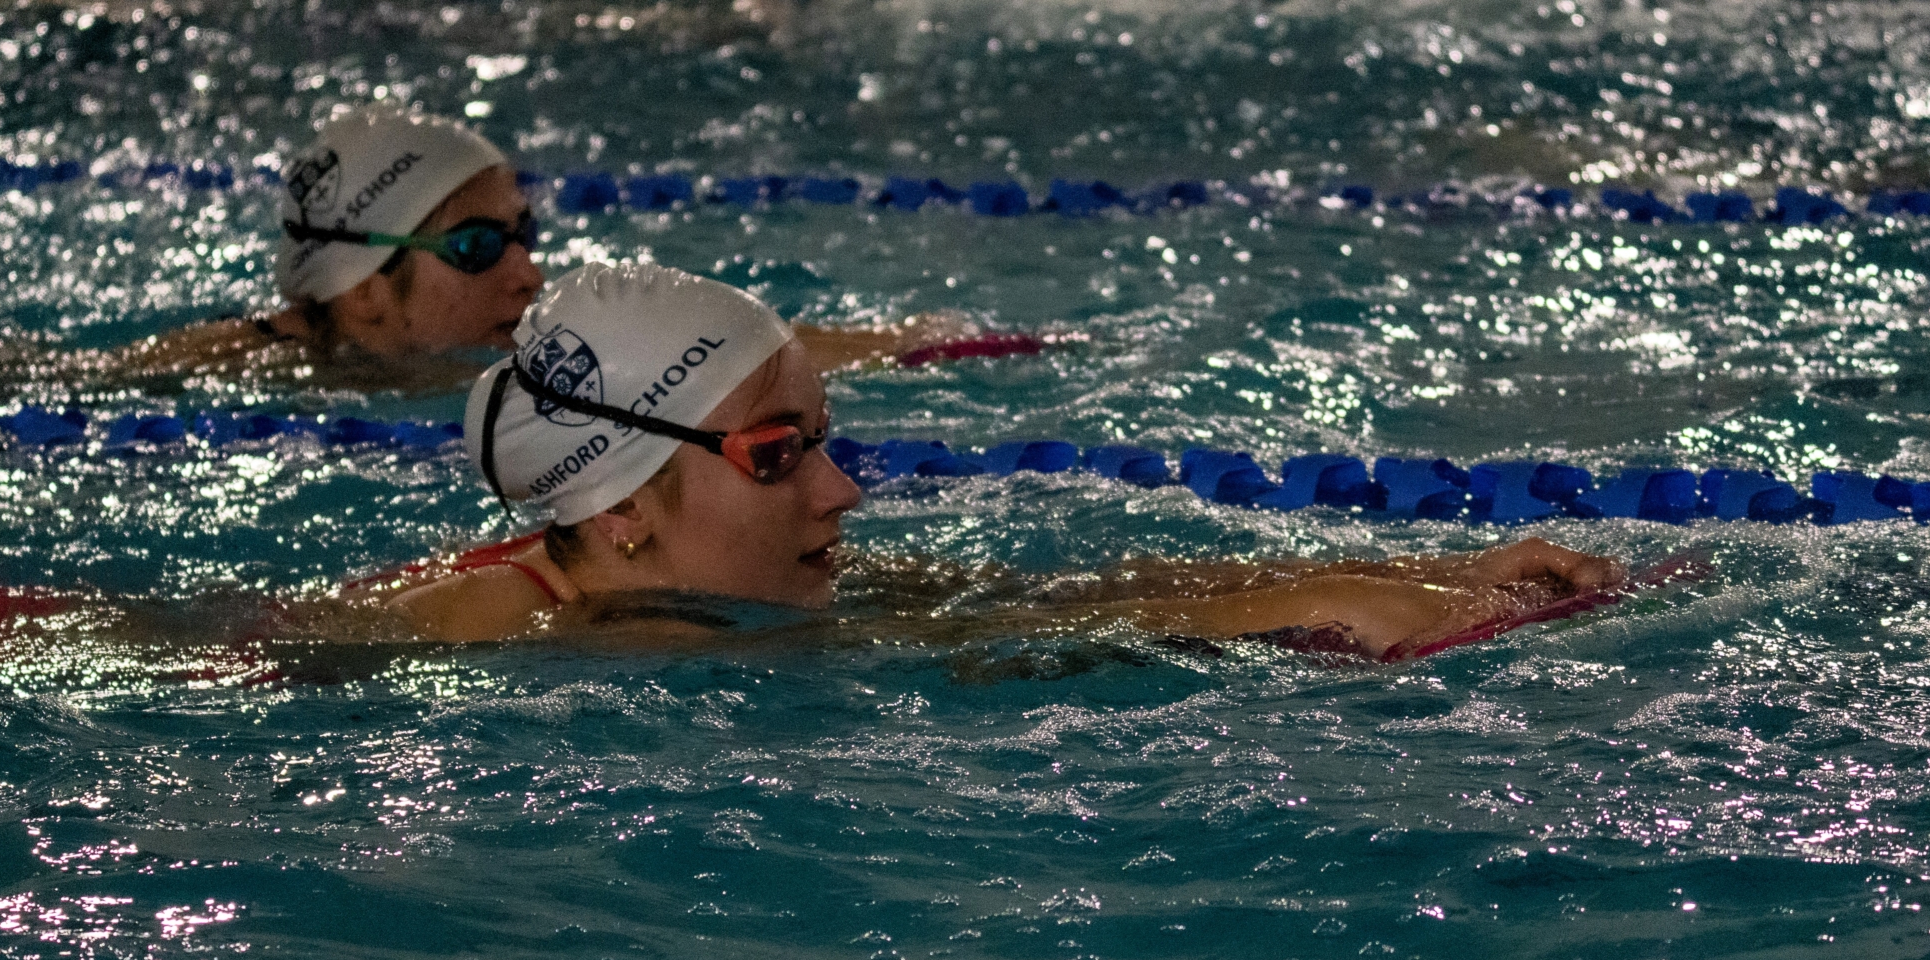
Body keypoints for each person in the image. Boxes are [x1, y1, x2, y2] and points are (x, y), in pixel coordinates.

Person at [364, 260, 1630, 656]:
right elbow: (980, 659)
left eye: (824, 445)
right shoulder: (556, 640)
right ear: (627, 507)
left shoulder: (655, 578)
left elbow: (1023, 605)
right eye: (778, 457)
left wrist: (1410, 567)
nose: (842, 487)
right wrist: (1299, 617)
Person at [0, 106, 1040, 399]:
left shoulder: (536, 354)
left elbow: (730, 359)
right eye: (473, 246)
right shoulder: (225, 374)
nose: (522, 273)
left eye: (522, 236)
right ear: (360, 290)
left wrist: (918, 346)